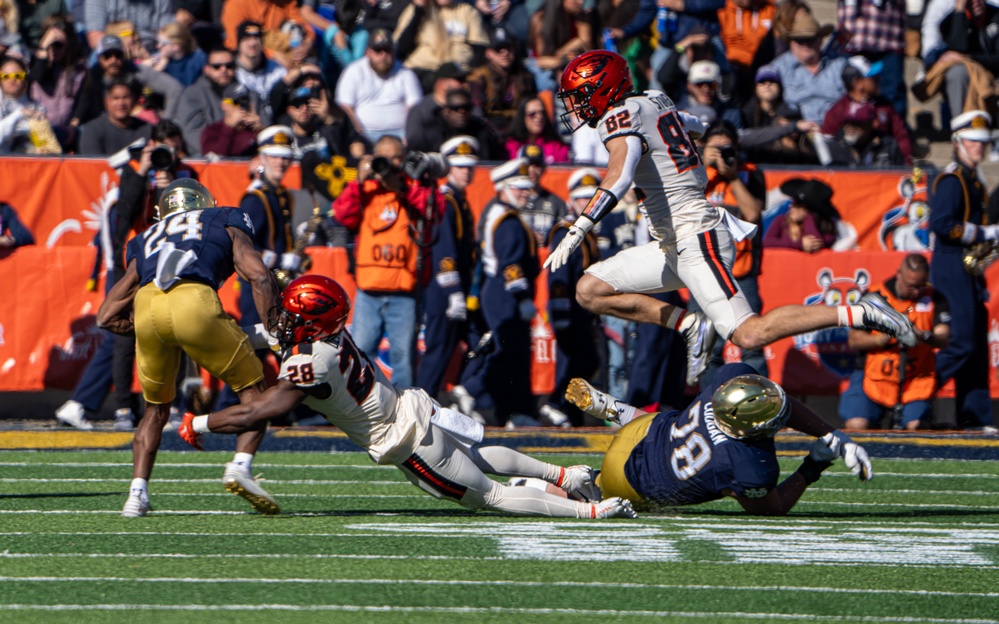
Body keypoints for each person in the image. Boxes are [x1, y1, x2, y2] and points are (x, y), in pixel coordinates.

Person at [547, 50, 916, 389]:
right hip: (673, 241)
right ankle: (691, 324)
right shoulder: (653, 99)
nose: (576, 106)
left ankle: (861, 310)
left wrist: (580, 226)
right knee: (590, 289)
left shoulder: (618, 118)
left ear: (602, 90)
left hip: (696, 236)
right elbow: (690, 122)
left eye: (579, 96)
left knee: (749, 334)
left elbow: (620, 176)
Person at [178, 274, 638, 520]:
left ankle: (589, 509)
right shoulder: (324, 338)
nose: (283, 319)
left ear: (310, 324)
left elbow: (264, 410)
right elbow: (267, 336)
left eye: (292, 314)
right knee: (478, 458)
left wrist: (199, 424)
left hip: (403, 440)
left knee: (492, 497)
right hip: (413, 409)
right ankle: (567, 474)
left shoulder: (309, 360)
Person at [96, 179, 281, 518]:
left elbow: (106, 316)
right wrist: (274, 330)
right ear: (205, 201)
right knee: (256, 393)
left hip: (147, 307)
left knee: (155, 409)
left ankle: (136, 495)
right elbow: (259, 276)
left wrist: (147, 329)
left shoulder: (144, 238)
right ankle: (240, 466)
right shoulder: (224, 217)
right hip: (194, 300)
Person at [561, 365, 873, 514]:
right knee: (590, 492)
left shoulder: (727, 380)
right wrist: (813, 466)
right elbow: (770, 508)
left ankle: (614, 409)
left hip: (640, 430)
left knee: (670, 423)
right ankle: (550, 484)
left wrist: (833, 433)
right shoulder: (749, 466)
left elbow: (776, 402)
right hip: (625, 480)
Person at [332, 136, 446, 390]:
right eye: (384, 158)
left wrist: (404, 187)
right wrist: (359, 181)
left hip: (403, 291)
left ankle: (402, 410)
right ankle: (361, 406)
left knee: (403, 358)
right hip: (368, 289)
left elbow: (435, 212)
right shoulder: (368, 190)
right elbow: (342, 214)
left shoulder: (415, 186)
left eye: (396, 158)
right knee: (361, 352)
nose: (391, 164)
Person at [929, 110, 998, 432]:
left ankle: (975, 417)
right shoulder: (953, 179)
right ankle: (918, 390)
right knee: (962, 343)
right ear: (957, 142)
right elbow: (941, 224)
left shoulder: (974, 180)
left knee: (976, 346)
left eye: (983, 143)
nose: (979, 148)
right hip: (950, 263)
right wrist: (983, 234)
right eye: (973, 141)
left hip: (967, 266)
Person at [839, 254, 950, 431]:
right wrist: (884, 338)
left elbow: (943, 338)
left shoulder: (935, 298)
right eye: (910, 286)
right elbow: (854, 339)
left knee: (917, 426)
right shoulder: (874, 297)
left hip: (916, 379)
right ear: (899, 274)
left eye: (921, 286)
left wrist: (921, 336)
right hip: (873, 375)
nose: (915, 291)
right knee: (856, 424)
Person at [695, 120, 766, 380]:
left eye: (728, 148)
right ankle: (707, 410)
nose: (723, 154)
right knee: (705, 349)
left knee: (753, 343)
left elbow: (752, 212)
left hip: (742, 273)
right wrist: (706, 167)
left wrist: (732, 176)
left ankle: (758, 404)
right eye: (716, 149)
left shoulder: (749, 173)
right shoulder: (696, 175)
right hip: (704, 272)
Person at [473, 158, 541, 427]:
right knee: (510, 353)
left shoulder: (500, 213)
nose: (525, 192)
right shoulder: (507, 219)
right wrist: (522, 298)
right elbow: (510, 265)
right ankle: (476, 394)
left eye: (526, 187)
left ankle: (508, 410)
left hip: (500, 292)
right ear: (503, 187)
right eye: (519, 187)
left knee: (513, 352)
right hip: (505, 295)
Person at [416, 135, 479, 400]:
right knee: (438, 346)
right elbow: (444, 250)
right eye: (459, 166)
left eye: (469, 166)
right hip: (442, 287)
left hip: (455, 284)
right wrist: (452, 291)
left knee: (449, 345)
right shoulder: (447, 201)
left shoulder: (459, 200)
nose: (465, 171)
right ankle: (422, 401)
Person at [541, 167, 603, 427]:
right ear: (570, 200)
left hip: (583, 309)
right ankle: (556, 404)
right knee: (577, 360)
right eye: (581, 199)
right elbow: (559, 274)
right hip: (570, 308)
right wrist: (561, 313)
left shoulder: (587, 231)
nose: (586, 204)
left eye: (591, 199)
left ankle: (570, 410)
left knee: (585, 360)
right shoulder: (566, 230)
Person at [334, 28, 423, 144]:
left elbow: (415, 108)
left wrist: (409, 134)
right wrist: (357, 134)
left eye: (387, 50)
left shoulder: (406, 74)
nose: (383, 55)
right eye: (378, 51)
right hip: (365, 134)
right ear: (368, 52)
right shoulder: (353, 72)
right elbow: (345, 107)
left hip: (401, 134)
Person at [768, 11, 847, 123]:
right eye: (800, 40)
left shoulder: (839, 66)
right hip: (796, 128)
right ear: (791, 42)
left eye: (810, 39)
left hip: (835, 127)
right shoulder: (779, 67)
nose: (805, 44)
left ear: (820, 40)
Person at [175, 46, 237, 157]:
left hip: (245, 160)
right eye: (217, 67)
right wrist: (228, 126)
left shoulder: (247, 93)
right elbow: (196, 139)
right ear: (206, 69)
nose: (224, 70)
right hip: (206, 162)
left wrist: (258, 125)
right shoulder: (191, 95)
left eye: (229, 66)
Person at [518, 143, 568, 246]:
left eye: (537, 166)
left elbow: (565, 235)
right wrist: (528, 237)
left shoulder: (556, 202)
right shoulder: (511, 199)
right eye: (527, 166)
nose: (531, 170)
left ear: (544, 169)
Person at [504, 96, 571, 162]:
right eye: (532, 114)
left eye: (542, 113)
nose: (539, 117)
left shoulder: (557, 147)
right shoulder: (511, 146)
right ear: (522, 117)